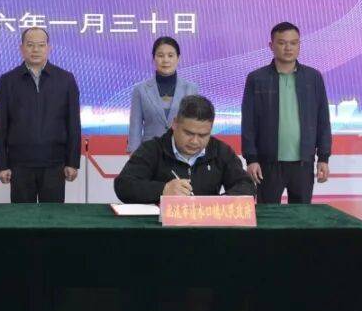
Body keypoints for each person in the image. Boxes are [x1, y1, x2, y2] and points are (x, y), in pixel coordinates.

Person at [241, 21, 332, 204]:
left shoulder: (313, 77)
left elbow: (323, 120)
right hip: (268, 163)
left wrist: (323, 157)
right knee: (267, 215)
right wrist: (251, 159)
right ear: (271, 46)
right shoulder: (257, 79)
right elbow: (248, 122)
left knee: (301, 216)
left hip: (303, 163)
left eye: (293, 43)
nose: (288, 48)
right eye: (282, 43)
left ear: (299, 45)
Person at [0, 27, 81, 203]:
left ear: (49, 48)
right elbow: (1, 126)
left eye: (41, 45)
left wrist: (72, 162)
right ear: (21, 48)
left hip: (54, 163)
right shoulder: (8, 80)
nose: (35, 50)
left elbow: (73, 124)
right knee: (22, 217)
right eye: (30, 45)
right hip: (20, 164)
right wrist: (2, 164)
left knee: (52, 217)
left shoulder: (65, 79)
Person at [115, 94, 255, 204]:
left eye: (202, 135)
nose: (194, 141)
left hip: (207, 226)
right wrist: (163, 190)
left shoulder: (221, 151)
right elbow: (124, 185)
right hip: (161, 227)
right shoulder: (152, 149)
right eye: (188, 133)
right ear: (175, 124)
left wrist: (221, 201)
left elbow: (246, 185)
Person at [127, 36, 199, 153]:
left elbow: (195, 125)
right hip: (149, 153)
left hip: (181, 153)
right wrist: (134, 155)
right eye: (160, 55)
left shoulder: (191, 89)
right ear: (153, 58)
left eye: (170, 55)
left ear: (178, 58)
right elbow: (135, 127)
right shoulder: (140, 90)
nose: (165, 60)